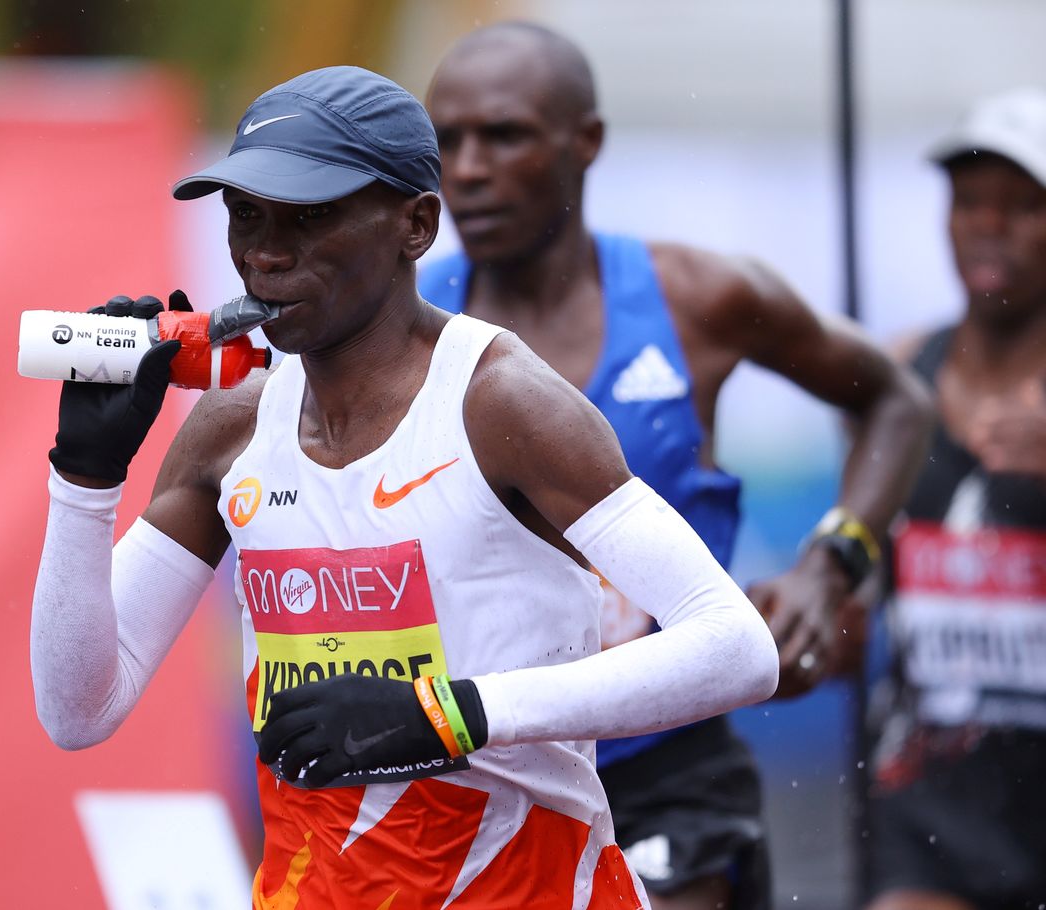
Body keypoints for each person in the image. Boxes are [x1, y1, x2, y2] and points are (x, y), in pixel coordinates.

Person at [30, 65, 781, 907]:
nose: (265, 252)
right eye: (246, 214)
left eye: (309, 216)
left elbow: (737, 649)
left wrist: (448, 714)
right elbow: (77, 711)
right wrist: (86, 477)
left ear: (416, 225)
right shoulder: (233, 424)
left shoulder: (503, 403)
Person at [420, 23, 934, 910]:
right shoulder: (400, 322)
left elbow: (897, 401)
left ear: (586, 142)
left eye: (502, 136)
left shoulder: (699, 299)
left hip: (664, 759)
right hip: (478, 763)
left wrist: (831, 566)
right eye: (448, 141)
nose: (467, 169)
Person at [860, 88, 1046, 910]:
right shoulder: (898, 378)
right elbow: (858, 570)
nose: (988, 226)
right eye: (970, 202)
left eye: (1023, 207)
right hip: (929, 794)